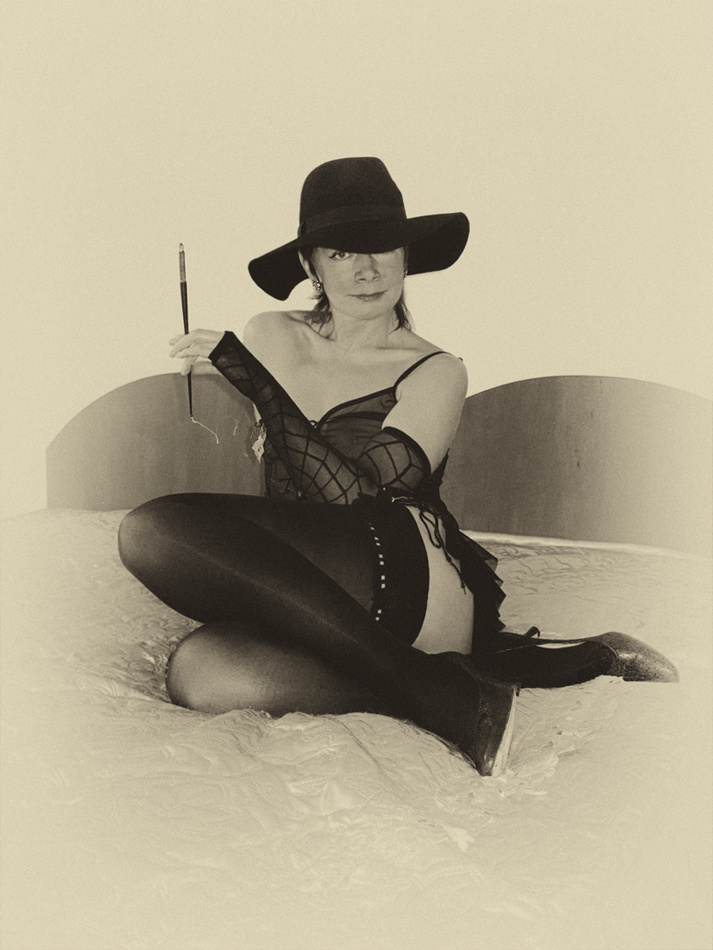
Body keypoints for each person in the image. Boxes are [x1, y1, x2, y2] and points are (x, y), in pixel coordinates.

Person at [118, 157, 677, 778]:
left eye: (383, 247)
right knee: (199, 673)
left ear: (406, 257)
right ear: (309, 264)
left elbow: (356, 500)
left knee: (151, 530)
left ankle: (429, 679)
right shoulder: (269, 334)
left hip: (405, 573)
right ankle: (434, 692)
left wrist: (259, 387)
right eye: (341, 253)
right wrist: (258, 379)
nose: (367, 270)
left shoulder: (436, 371)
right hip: (315, 583)